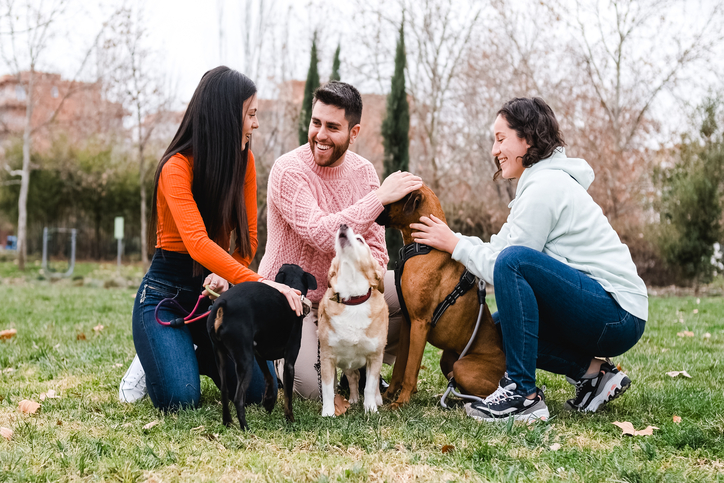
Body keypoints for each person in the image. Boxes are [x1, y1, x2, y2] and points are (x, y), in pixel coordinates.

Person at [410, 97, 647, 422]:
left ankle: (523, 395)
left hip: (617, 313)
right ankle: (596, 376)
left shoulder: (545, 187)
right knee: (497, 335)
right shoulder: (538, 184)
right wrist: (455, 241)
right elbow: (502, 249)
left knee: (513, 262)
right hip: (604, 310)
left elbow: (504, 266)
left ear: (529, 139)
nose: (495, 150)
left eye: (500, 138)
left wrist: (454, 244)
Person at [119, 66, 303, 410]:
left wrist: (227, 274)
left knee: (257, 392)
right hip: (166, 294)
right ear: (224, 116)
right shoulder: (175, 167)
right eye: (251, 114)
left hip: (214, 298)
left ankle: (183, 349)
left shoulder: (244, 163)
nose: (256, 124)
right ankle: (158, 350)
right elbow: (197, 243)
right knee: (180, 398)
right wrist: (266, 283)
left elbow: (247, 241)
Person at [258, 81, 423, 400]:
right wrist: (378, 199)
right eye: (315, 122)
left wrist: (353, 297)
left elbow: (378, 252)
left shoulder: (364, 173)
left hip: (343, 297)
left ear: (354, 131)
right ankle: (288, 359)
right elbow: (320, 233)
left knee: (416, 290)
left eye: (332, 127)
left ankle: (365, 365)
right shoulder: (288, 170)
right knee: (313, 389)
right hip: (295, 301)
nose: (320, 134)